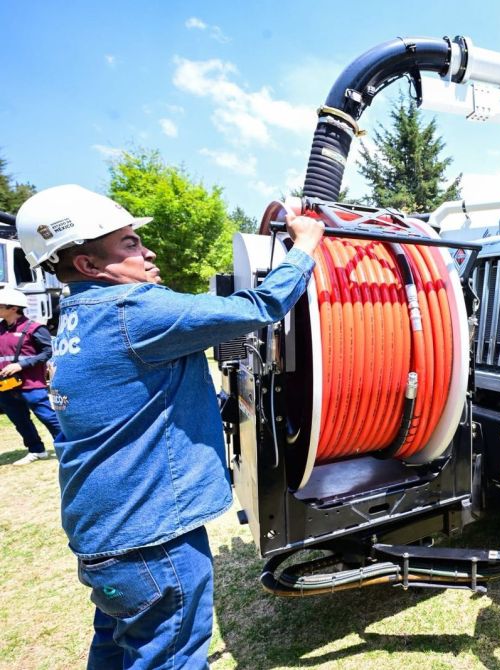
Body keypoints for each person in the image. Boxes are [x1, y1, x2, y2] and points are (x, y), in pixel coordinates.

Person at [16, 184, 325, 669]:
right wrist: (304, 246)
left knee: (117, 645)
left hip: (104, 538)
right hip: (152, 541)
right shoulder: (134, 311)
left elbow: (133, 397)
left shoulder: (75, 320)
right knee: (171, 657)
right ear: (89, 265)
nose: (148, 251)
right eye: (129, 243)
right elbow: (259, 307)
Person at [0, 286, 61, 464]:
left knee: (48, 417)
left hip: (31, 384)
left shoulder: (35, 328)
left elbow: (48, 352)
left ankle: (67, 448)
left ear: (14, 308)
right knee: (20, 420)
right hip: (5, 385)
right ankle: (36, 450)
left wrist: (21, 365)